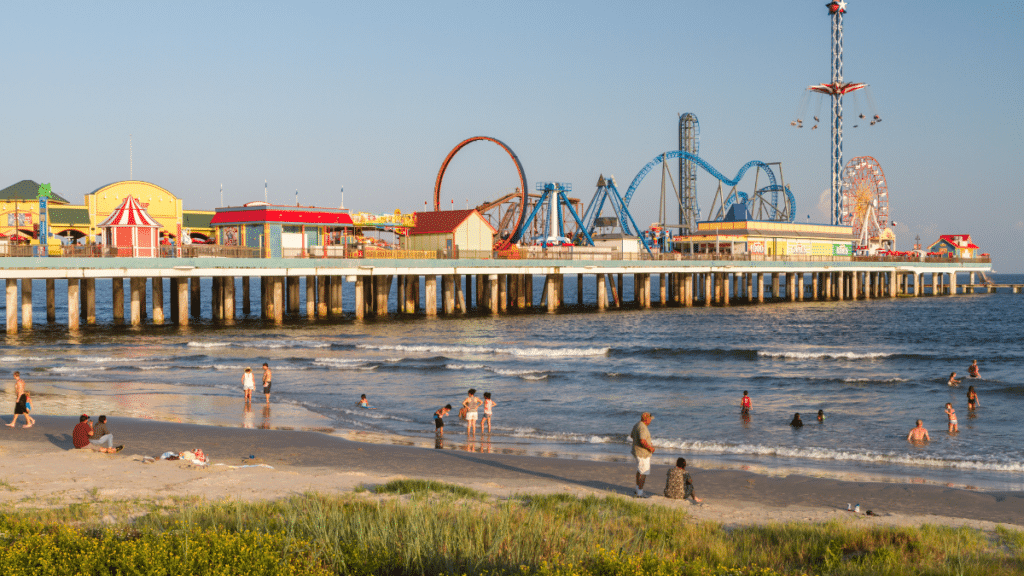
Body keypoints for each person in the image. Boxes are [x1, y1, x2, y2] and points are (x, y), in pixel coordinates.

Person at [630, 412, 655, 498]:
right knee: (643, 472)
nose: (651, 421)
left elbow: (632, 435)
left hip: (637, 452)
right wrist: (650, 448)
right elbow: (642, 441)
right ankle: (640, 493)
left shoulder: (637, 425)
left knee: (639, 471)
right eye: (650, 419)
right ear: (646, 419)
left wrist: (647, 442)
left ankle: (638, 489)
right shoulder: (643, 427)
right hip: (642, 454)